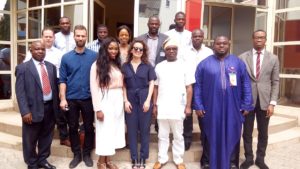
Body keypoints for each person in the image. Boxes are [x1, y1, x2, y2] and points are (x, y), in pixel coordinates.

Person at [193, 36, 253, 169]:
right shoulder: (204, 64)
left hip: (233, 107)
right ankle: (207, 162)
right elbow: (198, 86)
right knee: (209, 133)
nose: (221, 46)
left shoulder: (238, 63)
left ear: (229, 45)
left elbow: (246, 85)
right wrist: (198, 105)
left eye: (224, 43)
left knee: (233, 132)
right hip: (211, 107)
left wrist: (247, 104)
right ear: (213, 45)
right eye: (218, 43)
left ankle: (232, 163)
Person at [239, 30, 280, 169]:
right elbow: (238, 81)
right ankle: (249, 158)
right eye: (256, 37)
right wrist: (241, 102)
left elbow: (275, 82)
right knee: (247, 132)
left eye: (262, 38)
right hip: (247, 102)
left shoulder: (273, 58)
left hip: (265, 101)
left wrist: (272, 103)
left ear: (265, 40)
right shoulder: (243, 57)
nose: (259, 40)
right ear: (252, 39)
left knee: (263, 132)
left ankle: (260, 159)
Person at [15, 41, 58, 169]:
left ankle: (42, 160)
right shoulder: (23, 68)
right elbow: (20, 91)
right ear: (31, 51)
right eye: (37, 49)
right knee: (30, 139)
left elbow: (54, 88)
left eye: (43, 49)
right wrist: (24, 111)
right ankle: (32, 163)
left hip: (50, 108)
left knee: (47, 137)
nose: (40, 51)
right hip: (32, 110)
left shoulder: (51, 67)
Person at [24, 27, 70, 147]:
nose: (48, 39)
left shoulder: (59, 54)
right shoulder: (32, 53)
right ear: (42, 37)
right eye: (46, 36)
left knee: (61, 113)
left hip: (56, 83)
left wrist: (61, 90)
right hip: (38, 86)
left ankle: (63, 137)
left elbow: (62, 72)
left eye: (50, 37)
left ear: (54, 38)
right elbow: (25, 69)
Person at [152, 38, 194, 169]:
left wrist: (188, 106)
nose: (171, 51)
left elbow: (189, 88)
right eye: (168, 49)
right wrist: (155, 105)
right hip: (163, 105)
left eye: (174, 49)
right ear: (165, 51)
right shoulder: (159, 66)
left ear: (177, 50)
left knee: (178, 135)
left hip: (178, 107)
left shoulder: (185, 65)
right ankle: (162, 159)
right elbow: (156, 87)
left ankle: (178, 160)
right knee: (162, 135)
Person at [59, 25, 97, 168]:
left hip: (88, 98)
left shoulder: (94, 56)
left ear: (86, 37)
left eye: (83, 36)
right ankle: (76, 154)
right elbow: (62, 80)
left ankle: (86, 153)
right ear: (74, 36)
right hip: (71, 98)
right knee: (73, 127)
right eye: (78, 35)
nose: (80, 38)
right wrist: (63, 98)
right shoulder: (66, 57)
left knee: (88, 127)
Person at [90, 37, 125, 169]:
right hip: (105, 100)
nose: (114, 51)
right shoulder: (96, 65)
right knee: (104, 131)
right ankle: (100, 162)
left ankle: (108, 160)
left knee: (113, 131)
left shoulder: (117, 64)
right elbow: (94, 88)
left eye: (116, 48)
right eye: (110, 48)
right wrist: (98, 109)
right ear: (104, 49)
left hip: (117, 100)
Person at [122, 40, 156, 169]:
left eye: (140, 49)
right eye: (135, 48)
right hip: (130, 98)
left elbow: (152, 83)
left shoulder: (148, 66)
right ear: (131, 50)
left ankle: (143, 158)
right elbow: (123, 85)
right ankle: (134, 158)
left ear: (143, 52)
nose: (138, 51)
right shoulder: (125, 66)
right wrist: (125, 100)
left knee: (144, 130)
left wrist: (148, 100)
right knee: (131, 130)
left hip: (144, 98)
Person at [183, 28, 214, 152]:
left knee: (203, 113)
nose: (197, 38)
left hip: (204, 86)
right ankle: (187, 139)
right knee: (188, 112)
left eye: (199, 36)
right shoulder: (184, 51)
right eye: (195, 36)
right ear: (191, 38)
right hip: (188, 85)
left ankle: (204, 138)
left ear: (203, 38)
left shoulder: (209, 52)